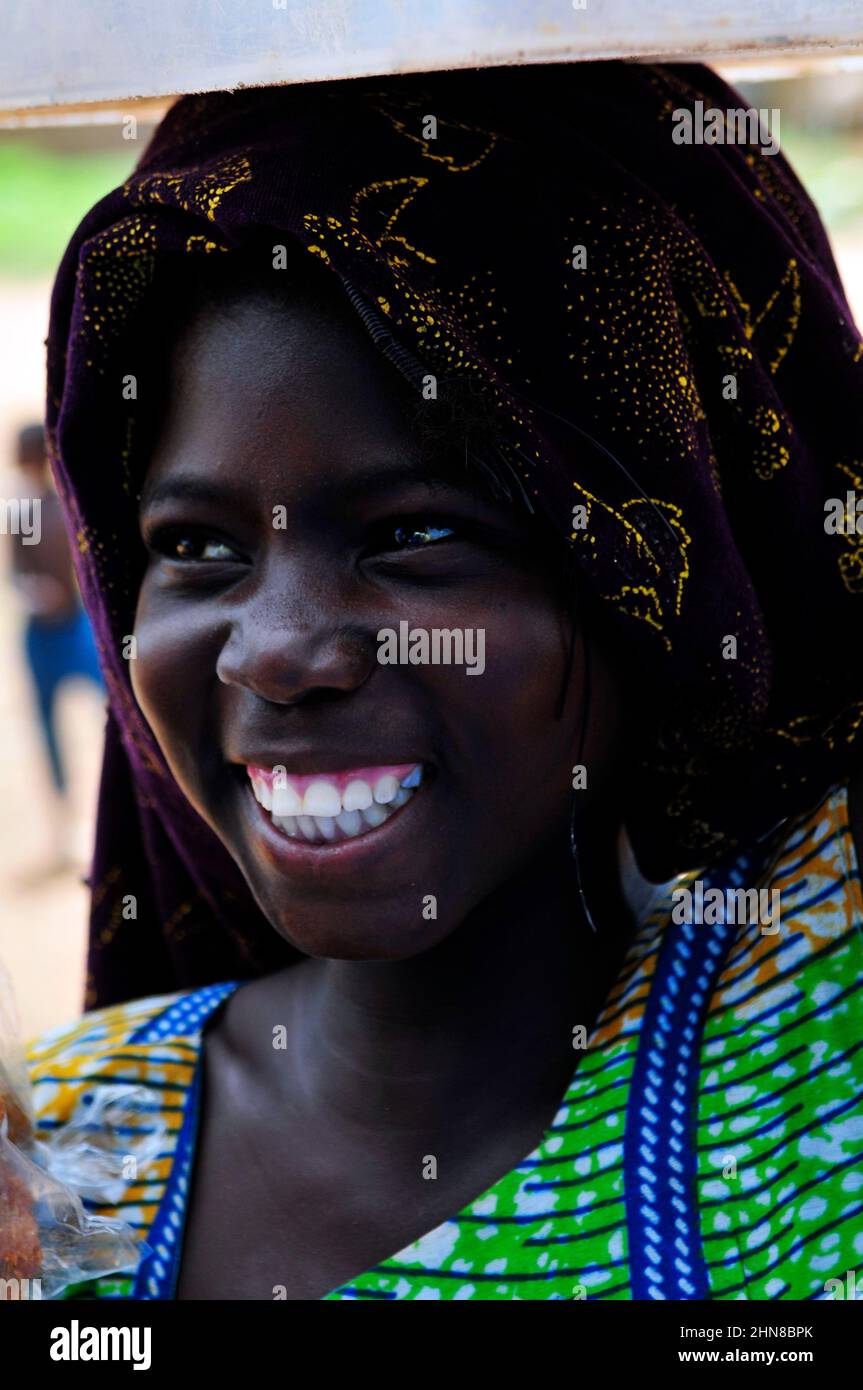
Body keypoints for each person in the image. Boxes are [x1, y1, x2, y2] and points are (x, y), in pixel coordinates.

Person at [17, 61, 863, 1300]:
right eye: (197, 546)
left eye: (415, 532)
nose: (278, 650)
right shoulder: (59, 1147)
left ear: (654, 578)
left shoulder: (812, 1072)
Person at [7, 423, 104, 863]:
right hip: (43, 633)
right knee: (48, 727)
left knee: (117, 711)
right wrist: (32, 591)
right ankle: (63, 826)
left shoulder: (67, 499)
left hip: (77, 626)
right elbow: (19, 570)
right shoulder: (25, 508)